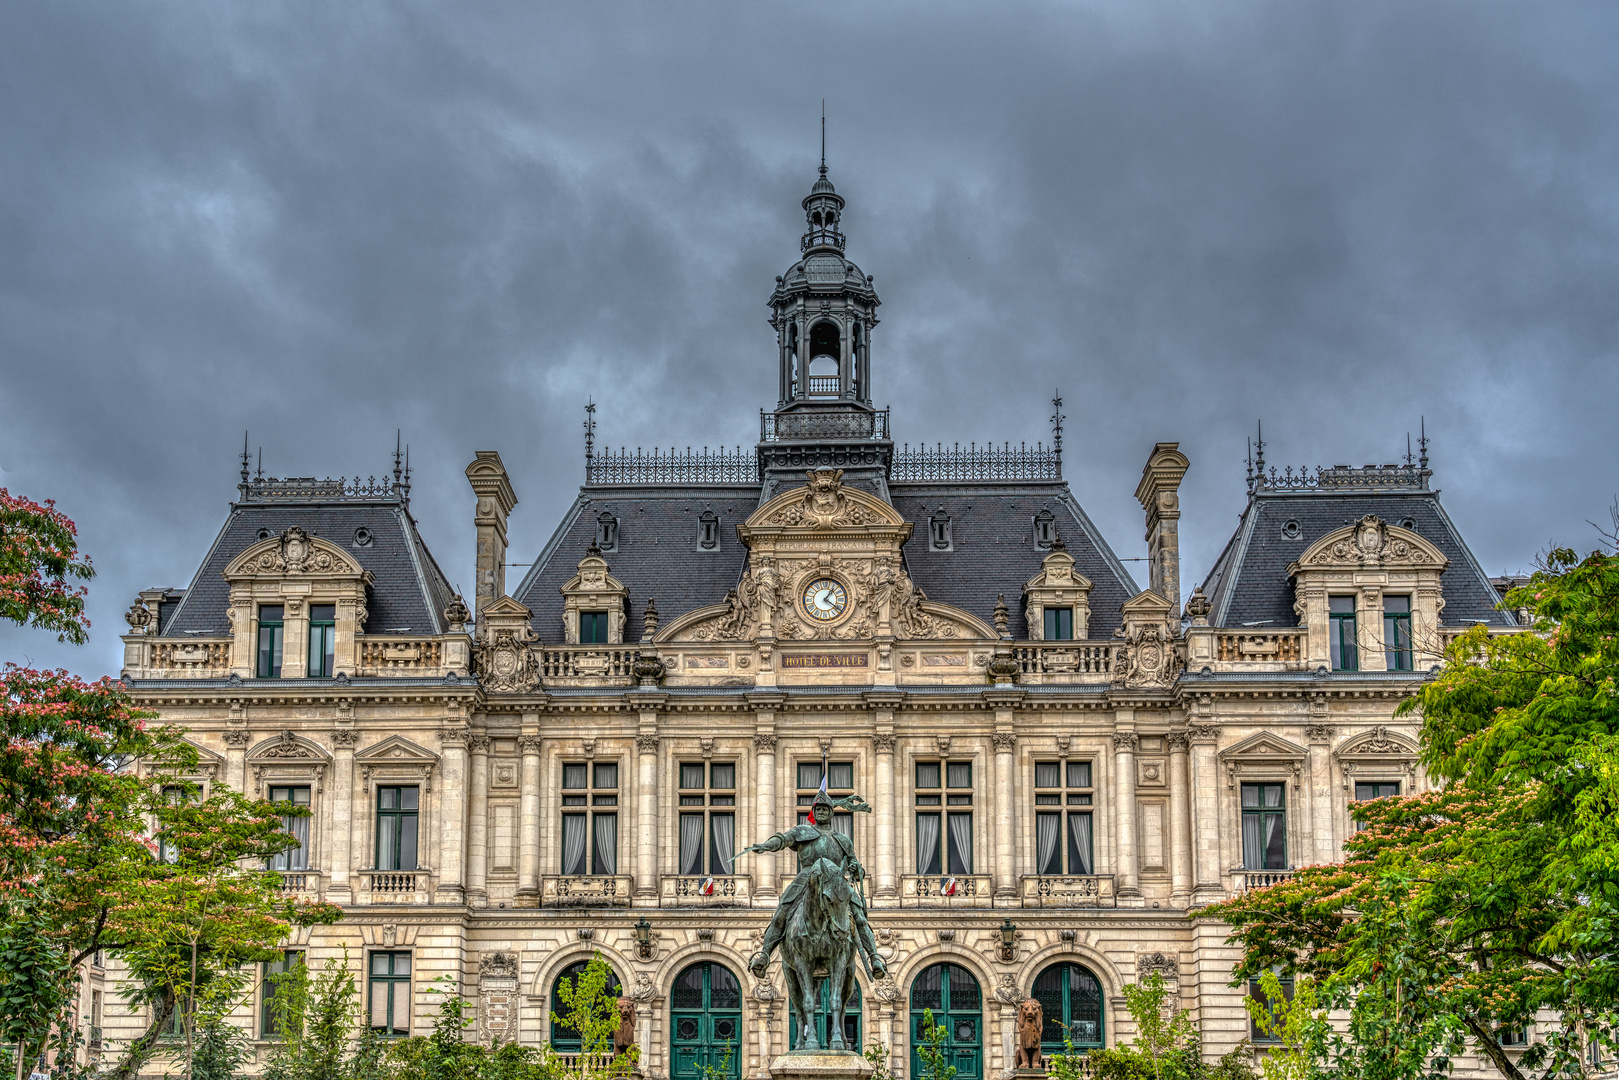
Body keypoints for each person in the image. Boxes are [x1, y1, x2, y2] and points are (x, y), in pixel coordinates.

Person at [742, 788, 885, 980]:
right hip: (806, 879)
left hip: (836, 884)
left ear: (831, 813)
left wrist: (856, 868)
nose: (821, 812)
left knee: (859, 916)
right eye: (817, 809)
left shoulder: (843, 840)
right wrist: (766, 845)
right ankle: (764, 955)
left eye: (825, 809)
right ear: (813, 812)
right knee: (781, 912)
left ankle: (874, 957)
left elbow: (857, 868)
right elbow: (783, 839)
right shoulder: (803, 831)